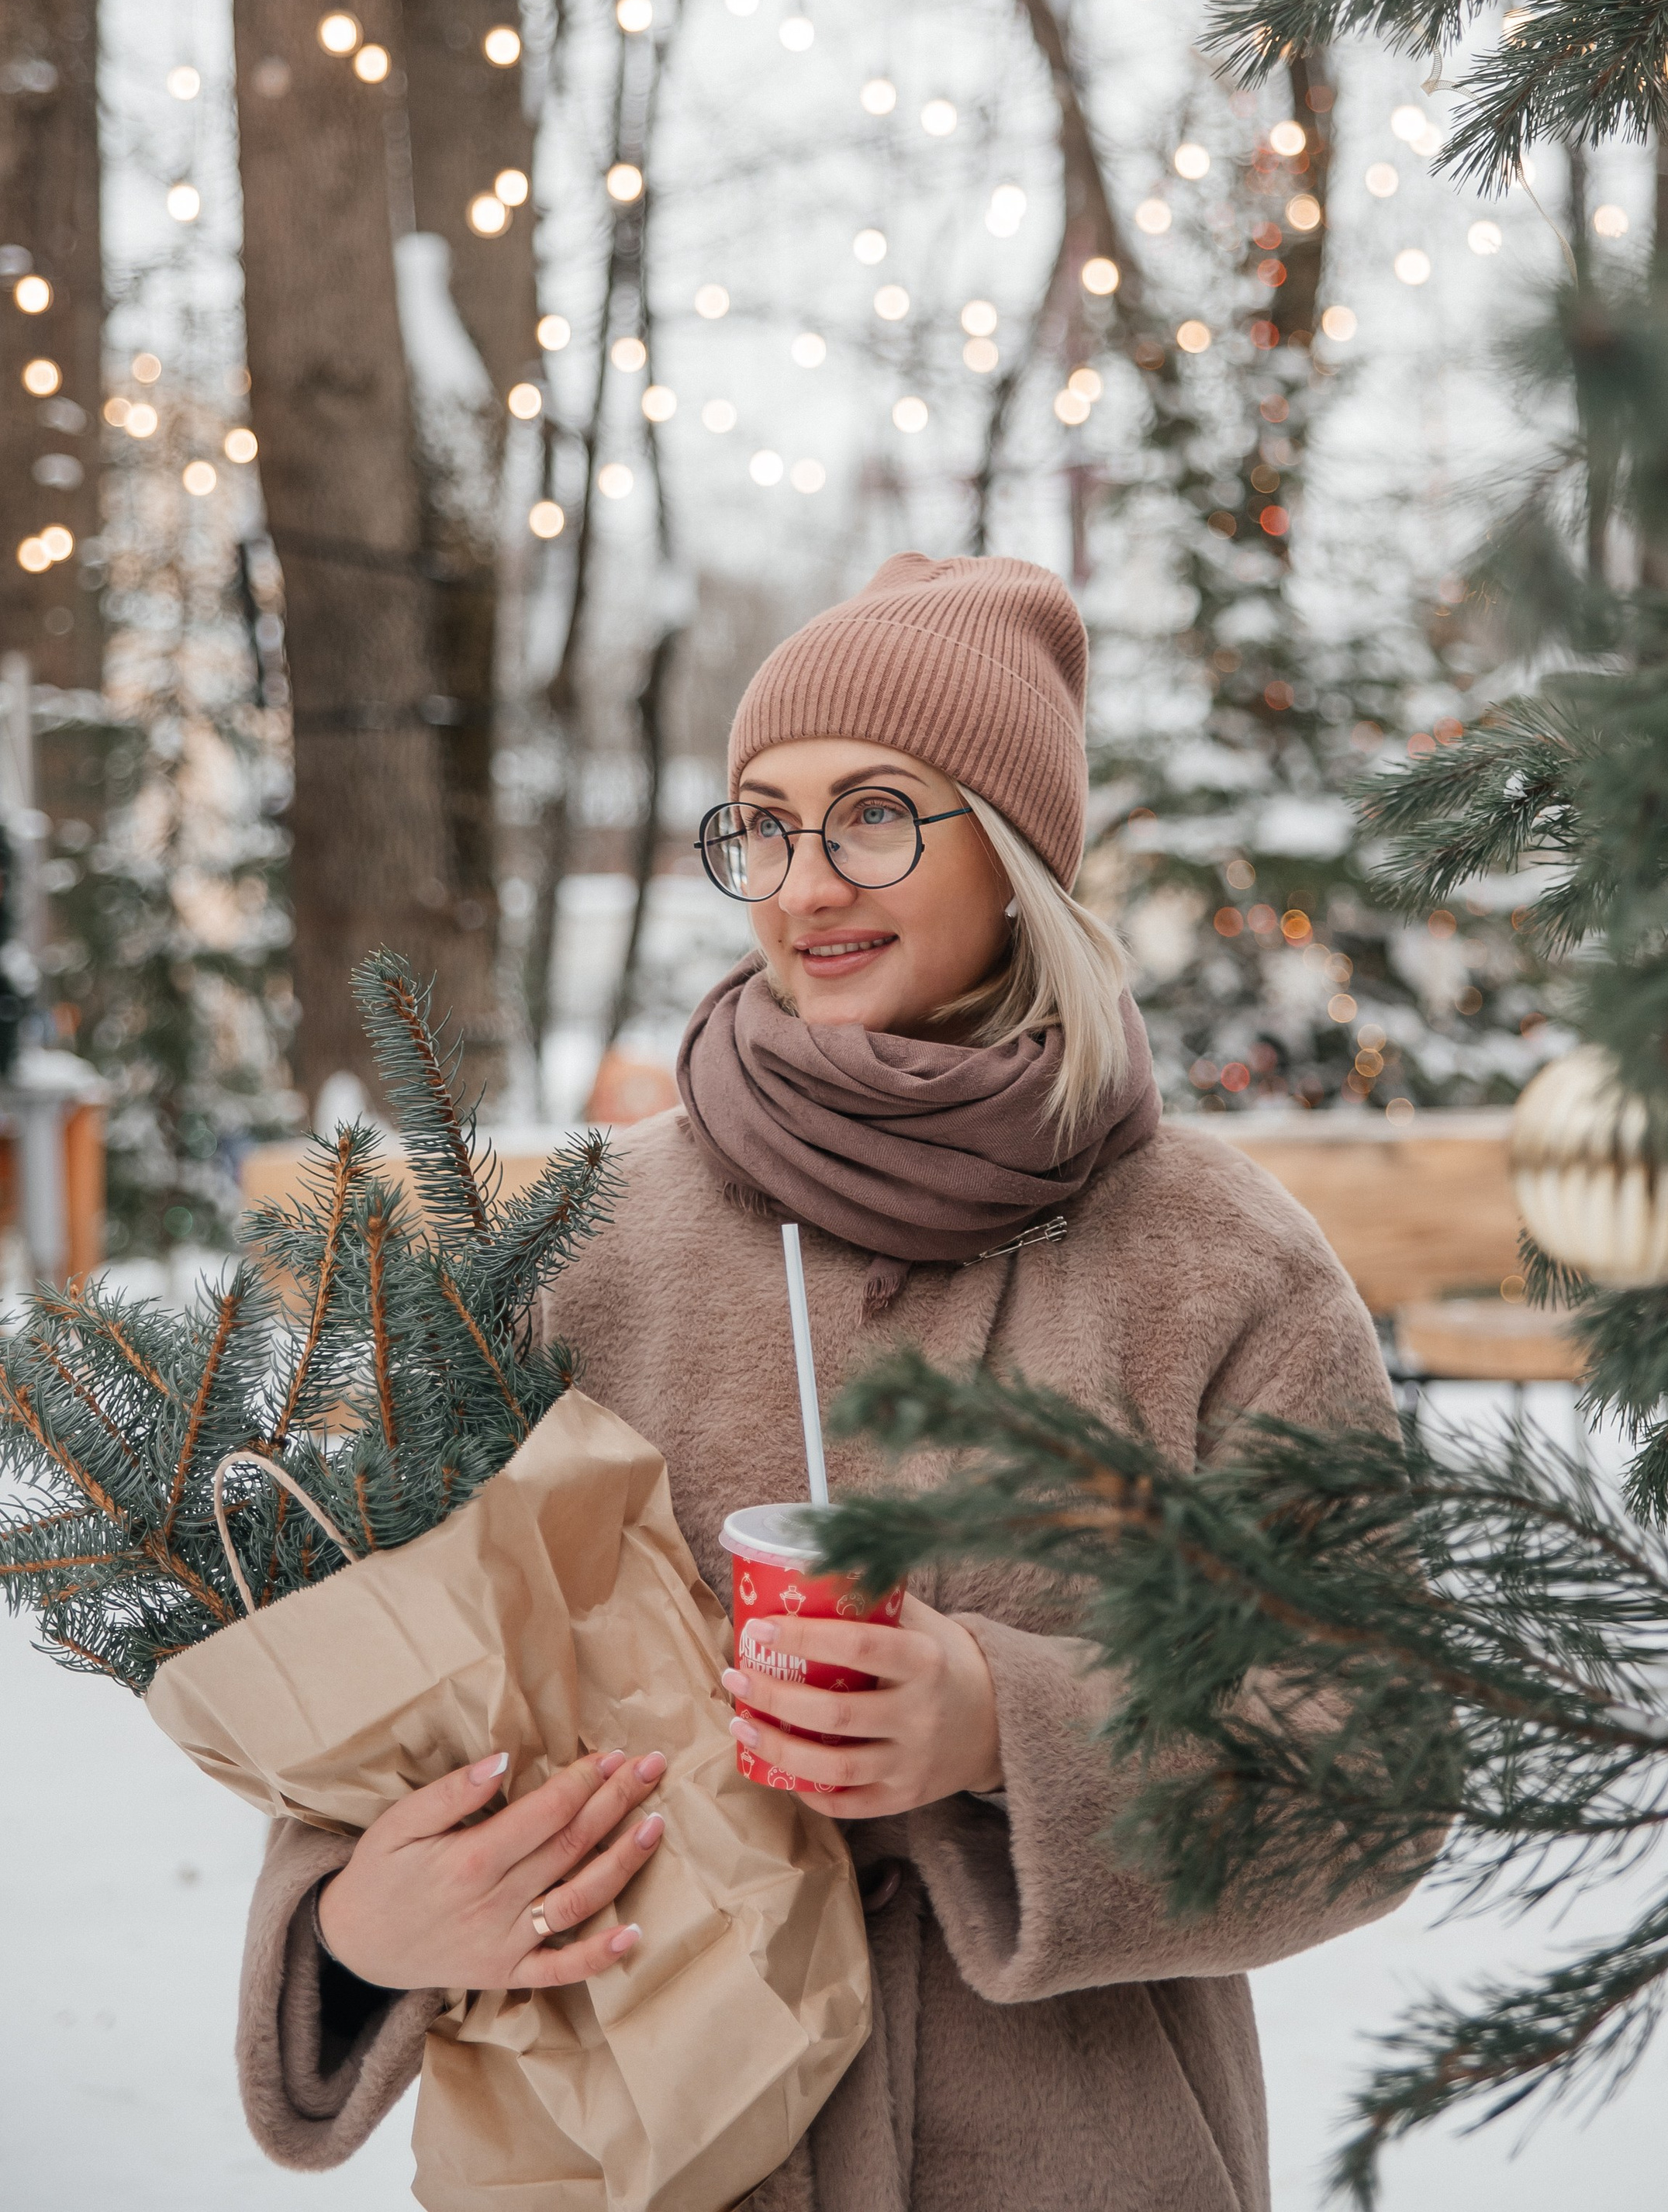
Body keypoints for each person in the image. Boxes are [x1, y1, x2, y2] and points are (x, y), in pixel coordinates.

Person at [237, 551, 1423, 2211]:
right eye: (765, 822)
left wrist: (1002, 1731)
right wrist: (357, 1928)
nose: (805, 880)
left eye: (874, 813)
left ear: (1012, 857)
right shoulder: (577, 1247)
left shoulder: (1217, 1265)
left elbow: (1374, 1769)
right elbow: (386, 1700)